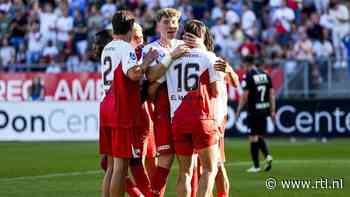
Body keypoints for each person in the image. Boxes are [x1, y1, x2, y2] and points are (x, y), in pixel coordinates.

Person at [99, 10, 157, 197]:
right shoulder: (126, 48)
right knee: (121, 167)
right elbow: (134, 74)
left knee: (111, 166)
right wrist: (147, 61)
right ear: (130, 28)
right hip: (120, 109)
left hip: (105, 106)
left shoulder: (107, 48)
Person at [165, 19, 221, 197]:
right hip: (201, 118)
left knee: (185, 173)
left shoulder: (172, 57)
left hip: (179, 120)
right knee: (209, 170)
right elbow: (216, 91)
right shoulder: (209, 57)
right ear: (202, 36)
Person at [142, 8, 190, 197]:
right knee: (165, 160)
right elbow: (151, 77)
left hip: (185, 107)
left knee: (189, 163)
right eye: (167, 22)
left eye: (174, 22)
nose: (172, 26)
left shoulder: (185, 45)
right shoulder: (150, 49)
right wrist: (171, 58)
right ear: (158, 25)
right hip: (163, 108)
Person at [235, 46, 276, 173]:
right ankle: (268, 156)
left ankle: (256, 166)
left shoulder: (249, 76)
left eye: (244, 65)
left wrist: (238, 110)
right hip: (264, 110)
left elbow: (245, 96)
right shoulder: (265, 75)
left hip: (253, 111)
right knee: (258, 135)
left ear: (247, 64)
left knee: (252, 137)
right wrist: (273, 111)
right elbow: (271, 94)